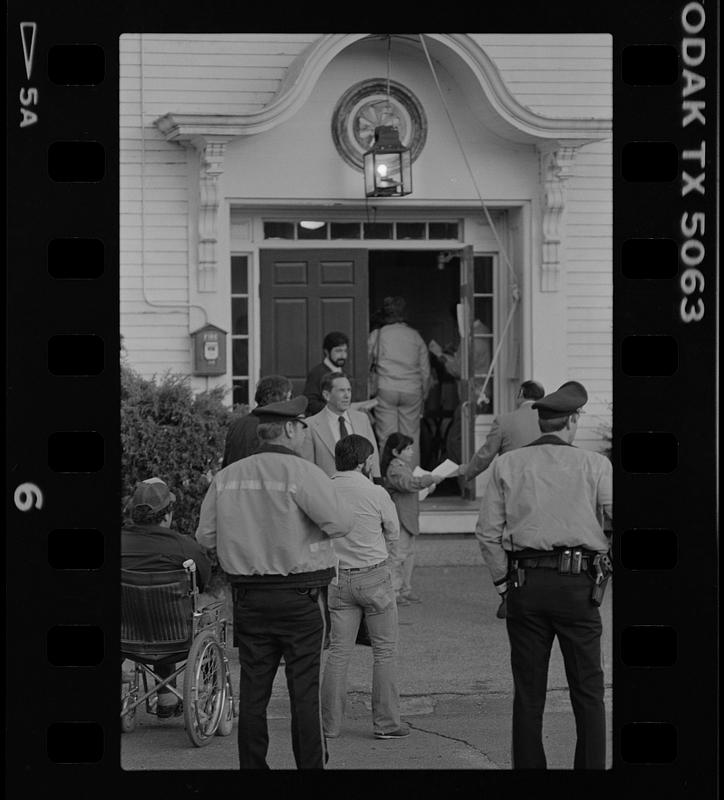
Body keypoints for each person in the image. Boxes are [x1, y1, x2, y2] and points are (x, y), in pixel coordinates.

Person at [195, 396, 355, 770]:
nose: (305, 431)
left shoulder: (227, 477)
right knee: (304, 692)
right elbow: (342, 524)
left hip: (249, 597)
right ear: (288, 429)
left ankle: (253, 769)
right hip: (300, 596)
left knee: (254, 690)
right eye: (302, 425)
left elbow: (205, 537)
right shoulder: (303, 474)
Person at [476, 381, 613, 770]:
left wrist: (503, 583)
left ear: (541, 423)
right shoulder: (594, 465)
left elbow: (487, 532)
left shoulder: (507, 464)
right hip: (578, 586)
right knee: (588, 690)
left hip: (525, 585)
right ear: (571, 421)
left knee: (529, 692)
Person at [321, 434, 410, 740]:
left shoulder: (324, 490)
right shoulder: (375, 492)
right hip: (374, 576)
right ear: (364, 462)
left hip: (337, 578)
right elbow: (394, 532)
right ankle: (386, 724)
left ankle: (329, 726)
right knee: (384, 651)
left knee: (338, 653)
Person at [122, 477, 213, 719]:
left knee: (146, 610)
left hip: (126, 638)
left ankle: (167, 697)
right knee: (199, 617)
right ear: (167, 515)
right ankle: (203, 696)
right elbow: (204, 580)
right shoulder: (183, 547)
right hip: (176, 639)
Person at [381, 432, 445, 606]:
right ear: (395, 452)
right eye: (407, 449)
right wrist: (429, 479)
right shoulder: (394, 469)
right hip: (401, 519)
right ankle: (394, 592)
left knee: (408, 556)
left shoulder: (403, 466)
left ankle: (404, 589)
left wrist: (426, 485)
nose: (411, 452)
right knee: (397, 556)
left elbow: (412, 485)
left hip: (408, 517)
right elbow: (409, 484)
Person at [368, 296, 431, 468]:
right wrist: (423, 395)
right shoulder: (415, 336)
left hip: (385, 388)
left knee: (386, 438)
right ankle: (412, 484)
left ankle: (388, 483)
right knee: (411, 439)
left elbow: (366, 365)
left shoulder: (378, 334)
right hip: (412, 391)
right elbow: (425, 372)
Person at [458, 380, 546, 484]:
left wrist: (467, 470)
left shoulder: (504, 421)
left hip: (513, 482)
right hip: (543, 480)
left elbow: (486, 454)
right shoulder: (551, 420)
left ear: (521, 393)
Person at [433, 318, 493, 466]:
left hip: (473, 395)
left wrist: (440, 354)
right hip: (483, 392)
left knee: (456, 439)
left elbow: (459, 369)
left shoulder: (472, 339)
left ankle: (462, 474)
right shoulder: (484, 334)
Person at [302, 371, 381, 478]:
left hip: (363, 489)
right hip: (329, 490)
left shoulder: (362, 419)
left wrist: (377, 481)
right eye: (341, 391)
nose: (347, 395)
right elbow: (308, 468)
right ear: (326, 395)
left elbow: (373, 456)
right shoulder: (310, 425)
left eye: (349, 390)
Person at [222, 374, 293, 468]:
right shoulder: (273, 426)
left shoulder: (237, 424)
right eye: (288, 398)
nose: (290, 403)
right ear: (277, 398)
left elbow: (226, 462)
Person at [303, 331, 349, 415]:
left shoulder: (344, 373)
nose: (343, 355)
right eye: (338, 351)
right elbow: (310, 403)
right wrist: (334, 409)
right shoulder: (317, 373)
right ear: (326, 352)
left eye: (345, 351)